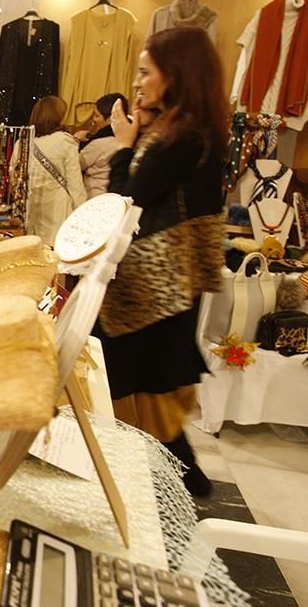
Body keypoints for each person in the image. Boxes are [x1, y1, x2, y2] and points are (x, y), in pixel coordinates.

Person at [95, 27, 227, 498]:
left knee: (138, 381)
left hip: (154, 287)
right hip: (163, 287)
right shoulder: (186, 128)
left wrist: (126, 144)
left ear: (176, 75)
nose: (137, 82)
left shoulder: (185, 136)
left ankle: (169, 482)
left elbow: (125, 199)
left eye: (146, 72)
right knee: (148, 382)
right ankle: (174, 478)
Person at [11, 95, 87, 247]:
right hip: (58, 214)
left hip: (30, 213)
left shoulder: (22, 142)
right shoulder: (65, 142)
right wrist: (83, 218)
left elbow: (15, 179)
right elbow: (75, 185)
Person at [79, 92, 128, 197]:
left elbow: (75, 165)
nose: (94, 119)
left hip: (95, 199)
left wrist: (75, 141)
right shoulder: (130, 137)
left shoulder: (100, 144)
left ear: (111, 119)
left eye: (97, 116)